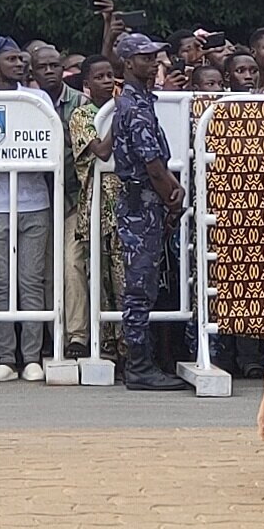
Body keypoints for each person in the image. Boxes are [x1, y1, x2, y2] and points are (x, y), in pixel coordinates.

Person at [0, 37, 55, 383]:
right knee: (1, 284)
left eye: (22, 59)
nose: (20, 64)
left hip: (35, 203)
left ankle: (31, 357)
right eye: (11, 59)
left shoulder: (38, 99)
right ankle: (6, 358)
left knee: (31, 283)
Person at [110, 34, 186, 391]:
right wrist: (172, 193)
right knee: (140, 288)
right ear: (128, 63)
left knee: (145, 285)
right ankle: (138, 364)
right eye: (145, 57)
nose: (154, 62)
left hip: (144, 201)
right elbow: (152, 165)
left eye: (154, 56)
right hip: (142, 202)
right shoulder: (134, 106)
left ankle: (142, 361)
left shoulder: (137, 102)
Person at [31, 44, 91, 359]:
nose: (51, 71)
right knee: (41, 272)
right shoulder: (24, 103)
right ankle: (48, 337)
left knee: (71, 265)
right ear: (33, 72)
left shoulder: (80, 102)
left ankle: (76, 337)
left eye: (56, 65)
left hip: (73, 198)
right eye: (44, 67)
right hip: (35, 199)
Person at [68, 55, 120, 362]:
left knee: (124, 279)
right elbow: (101, 151)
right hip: (97, 207)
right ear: (87, 85)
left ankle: (128, 347)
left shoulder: (124, 109)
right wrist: (120, 114)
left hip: (125, 208)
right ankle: (105, 347)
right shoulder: (82, 114)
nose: (107, 81)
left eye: (110, 75)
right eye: (99, 77)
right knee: (99, 280)